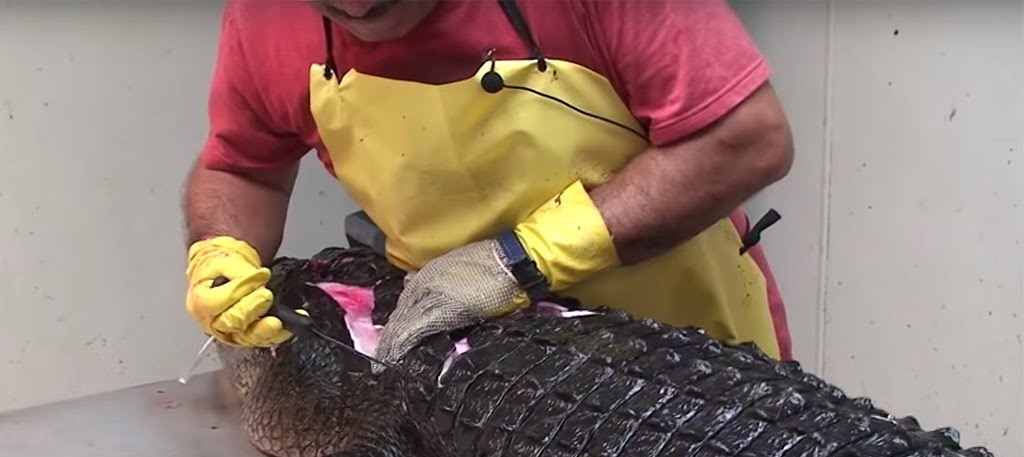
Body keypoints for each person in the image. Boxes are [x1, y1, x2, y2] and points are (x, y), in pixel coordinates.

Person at [182, 0, 796, 365]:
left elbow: (745, 140)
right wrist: (220, 253)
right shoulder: (265, 16)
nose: (357, 5)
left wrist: (522, 261)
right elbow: (243, 168)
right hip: (471, 370)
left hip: (692, 353)